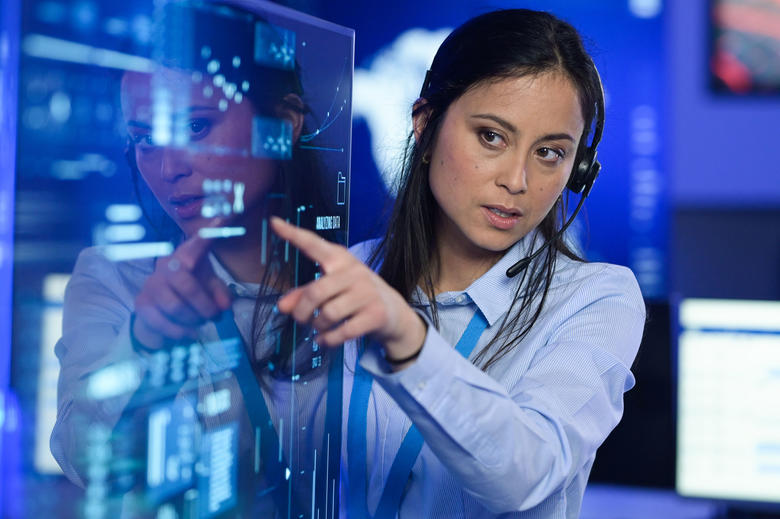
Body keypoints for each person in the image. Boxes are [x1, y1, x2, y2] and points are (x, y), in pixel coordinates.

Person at [271, 8, 645, 518]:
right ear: (425, 127)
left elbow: (527, 474)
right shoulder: (353, 276)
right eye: (492, 136)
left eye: (551, 153)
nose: (517, 180)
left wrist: (409, 343)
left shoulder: (596, 298)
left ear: (578, 168)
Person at [50, 3, 343, 517]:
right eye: (144, 138)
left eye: (196, 126)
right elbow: (82, 457)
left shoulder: (348, 281)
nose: (167, 166)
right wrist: (145, 342)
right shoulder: (115, 278)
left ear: (284, 126)